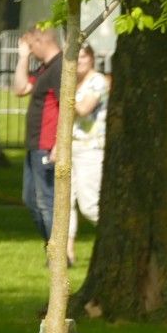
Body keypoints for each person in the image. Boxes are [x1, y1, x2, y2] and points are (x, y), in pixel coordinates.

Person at [60, 45, 109, 266]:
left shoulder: (97, 81)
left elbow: (84, 109)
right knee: (65, 201)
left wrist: (65, 94)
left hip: (91, 149)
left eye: (83, 56)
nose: (79, 61)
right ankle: (67, 254)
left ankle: (114, 236)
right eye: (74, 57)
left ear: (91, 58)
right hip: (70, 147)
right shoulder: (71, 83)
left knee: (89, 204)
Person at [12, 27, 62, 243]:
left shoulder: (60, 67)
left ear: (42, 41)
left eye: (31, 47)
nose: (30, 51)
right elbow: (20, 88)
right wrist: (23, 58)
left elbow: (65, 107)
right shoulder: (44, 69)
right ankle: (51, 248)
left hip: (47, 144)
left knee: (45, 201)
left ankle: (57, 252)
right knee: (30, 200)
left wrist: (59, 145)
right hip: (34, 144)